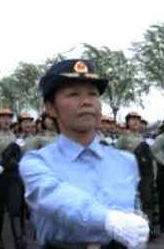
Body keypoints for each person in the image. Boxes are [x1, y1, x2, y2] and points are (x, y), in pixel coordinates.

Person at [19, 59, 149, 249]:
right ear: (50, 108)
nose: (87, 102)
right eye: (73, 94)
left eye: (93, 94)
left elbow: (134, 211)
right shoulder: (37, 162)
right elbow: (58, 198)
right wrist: (108, 220)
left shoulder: (125, 161)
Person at [115, 111, 161, 240]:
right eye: (132, 119)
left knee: (147, 201)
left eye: (137, 120)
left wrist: (162, 163)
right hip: (131, 174)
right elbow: (115, 155)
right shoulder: (123, 138)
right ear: (127, 122)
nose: (135, 122)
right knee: (135, 203)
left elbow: (151, 155)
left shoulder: (142, 138)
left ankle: (148, 229)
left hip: (146, 174)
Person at [0, 107, 25, 249]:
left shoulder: (17, 138)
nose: (6, 120)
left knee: (15, 208)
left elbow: (22, 158)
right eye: (3, 117)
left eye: (9, 117)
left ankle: (19, 239)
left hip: (13, 177)